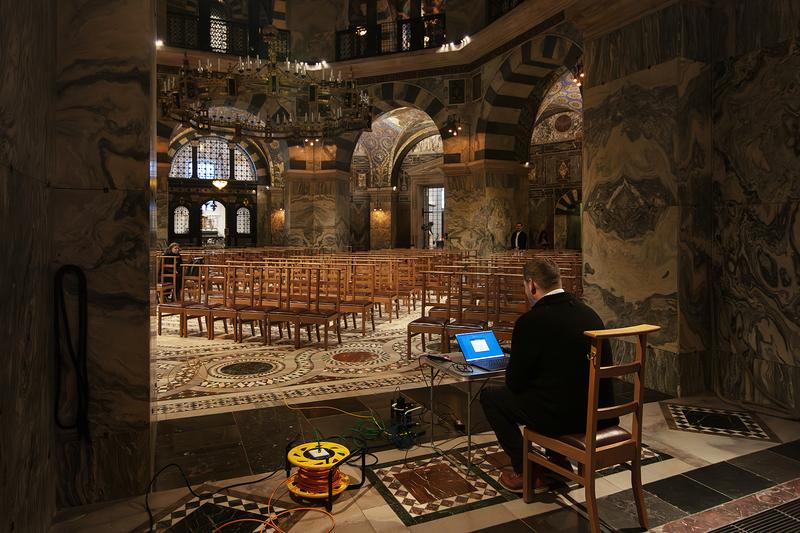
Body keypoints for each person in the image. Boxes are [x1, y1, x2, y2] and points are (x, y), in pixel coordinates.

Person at [479, 257, 617, 494]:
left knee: (491, 397)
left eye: (526, 287)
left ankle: (527, 472)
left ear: (531, 285)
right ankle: (557, 460)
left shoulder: (531, 321)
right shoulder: (590, 315)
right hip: (598, 413)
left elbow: (515, 382)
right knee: (552, 389)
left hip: (562, 417)